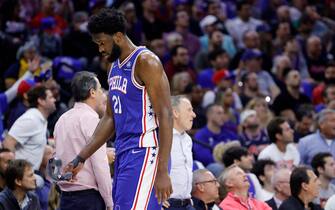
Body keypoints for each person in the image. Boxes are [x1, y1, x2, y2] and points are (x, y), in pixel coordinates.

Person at [63, 8, 173, 209]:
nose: (100, 49)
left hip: (145, 150)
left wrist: (163, 170)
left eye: (102, 43)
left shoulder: (146, 61)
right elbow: (109, 118)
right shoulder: (113, 67)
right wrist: (82, 157)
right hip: (124, 151)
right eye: (97, 44)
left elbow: (166, 115)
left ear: (119, 37)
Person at [54, 71, 112, 210]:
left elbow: (55, 160)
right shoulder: (92, 120)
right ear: (92, 92)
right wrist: (110, 202)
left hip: (66, 198)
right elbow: (100, 165)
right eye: (100, 90)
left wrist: (62, 180)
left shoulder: (62, 119)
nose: (103, 94)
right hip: (88, 199)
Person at [3, 85, 56, 170]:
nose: (54, 100)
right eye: (51, 97)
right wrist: (16, 171)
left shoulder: (40, 119)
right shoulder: (30, 119)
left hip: (32, 174)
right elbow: (8, 142)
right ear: (41, 101)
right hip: (23, 176)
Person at [164, 95, 196, 209]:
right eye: (189, 110)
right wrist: (153, 196)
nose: (194, 114)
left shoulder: (188, 140)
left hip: (187, 203)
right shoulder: (161, 137)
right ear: (175, 113)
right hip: (168, 204)